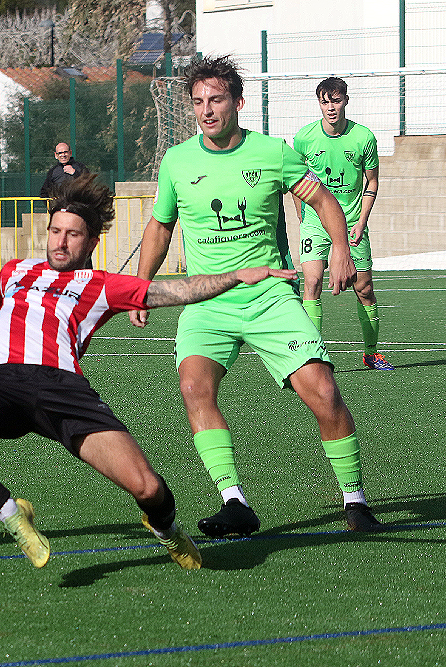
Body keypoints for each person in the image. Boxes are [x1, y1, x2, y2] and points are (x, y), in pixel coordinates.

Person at [0, 173, 301, 571]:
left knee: (148, 487)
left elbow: (177, 291)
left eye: (72, 234)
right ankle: (11, 515)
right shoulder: (15, 272)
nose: (60, 241)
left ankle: (168, 530)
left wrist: (236, 276)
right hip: (2, 385)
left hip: (63, 391)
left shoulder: (101, 284)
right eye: (55, 231)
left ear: (91, 242)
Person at [129, 55, 382, 537]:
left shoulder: (274, 152)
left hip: (269, 297)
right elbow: (161, 225)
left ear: (238, 103)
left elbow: (324, 201)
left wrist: (342, 250)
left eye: (217, 99)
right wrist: (143, 288)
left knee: (325, 394)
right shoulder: (178, 161)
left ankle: (355, 499)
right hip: (207, 302)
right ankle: (234, 501)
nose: (207, 110)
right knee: (194, 389)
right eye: (199, 102)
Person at [292, 77, 392, 370]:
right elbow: (295, 182)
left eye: (336, 101)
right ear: (319, 104)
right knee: (311, 282)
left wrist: (362, 222)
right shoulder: (304, 138)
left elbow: (371, 181)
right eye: (325, 102)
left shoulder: (364, 138)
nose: (331, 108)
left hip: (352, 225)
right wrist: (304, 216)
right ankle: (310, 357)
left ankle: (371, 353)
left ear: (346, 101)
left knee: (365, 289)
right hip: (315, 222)